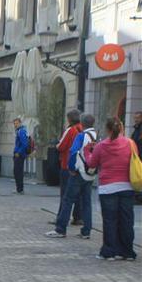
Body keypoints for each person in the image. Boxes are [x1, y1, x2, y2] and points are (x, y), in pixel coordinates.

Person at [83, 118, 137, 260]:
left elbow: (92, 163)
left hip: (107, 188)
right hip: (127, 186)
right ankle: (127, 251)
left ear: (107, 129)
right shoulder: (130, 143)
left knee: (110, 220)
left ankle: (109, 251)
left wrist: (87, 151)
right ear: (121, 128)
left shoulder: (101, 146)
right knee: (126, 220)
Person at [46, 113, 97, 239]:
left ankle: (60, 229)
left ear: (82, 123)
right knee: (86, 202)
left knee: (67, 200)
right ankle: (86, 231)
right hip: (90, 173)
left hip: (79, 172)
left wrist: (71, 168)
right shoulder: (96, 136)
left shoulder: (81, 136)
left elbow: (73, 151)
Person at [56, 110, 84, 224]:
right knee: (79, 194)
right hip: (81, 166)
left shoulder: (71, 130)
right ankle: (78, 217)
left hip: (67, 165)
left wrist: (57, 145)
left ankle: (61, 217)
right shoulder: (83, 129)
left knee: (65, 194)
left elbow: (61, 146)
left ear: (69, 119)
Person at [12, 117, 29, 194]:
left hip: (19, 155)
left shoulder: (21, 131)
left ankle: (20, 189)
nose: (15, 125)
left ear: (20, 123)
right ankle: (19, 189)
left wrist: (18, 152)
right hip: (18, 154)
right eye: (14, 124)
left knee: (18, 172)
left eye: (16, 123)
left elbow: (24, 144)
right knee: (17, 171)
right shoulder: (19, 131)